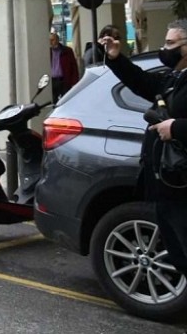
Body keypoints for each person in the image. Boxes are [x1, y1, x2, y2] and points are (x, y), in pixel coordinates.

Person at [99, 20, 187, 280]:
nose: (165, 49)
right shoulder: (176, 77)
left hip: (181, 186)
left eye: (171, 43)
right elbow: (144, 83)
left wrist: (176, 128)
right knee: (179, 253)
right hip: (169, 186)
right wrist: (116, 58)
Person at [49, 29, 80, 103]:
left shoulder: (67, 51)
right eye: (49, 40)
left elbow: (73, 67)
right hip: (52, 81)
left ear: (57, 40)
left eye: (52, 40)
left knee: (66, 101)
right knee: (53, 101)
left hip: (64, 80)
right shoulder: (47, 52)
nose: (50, 42)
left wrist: (74, 82)